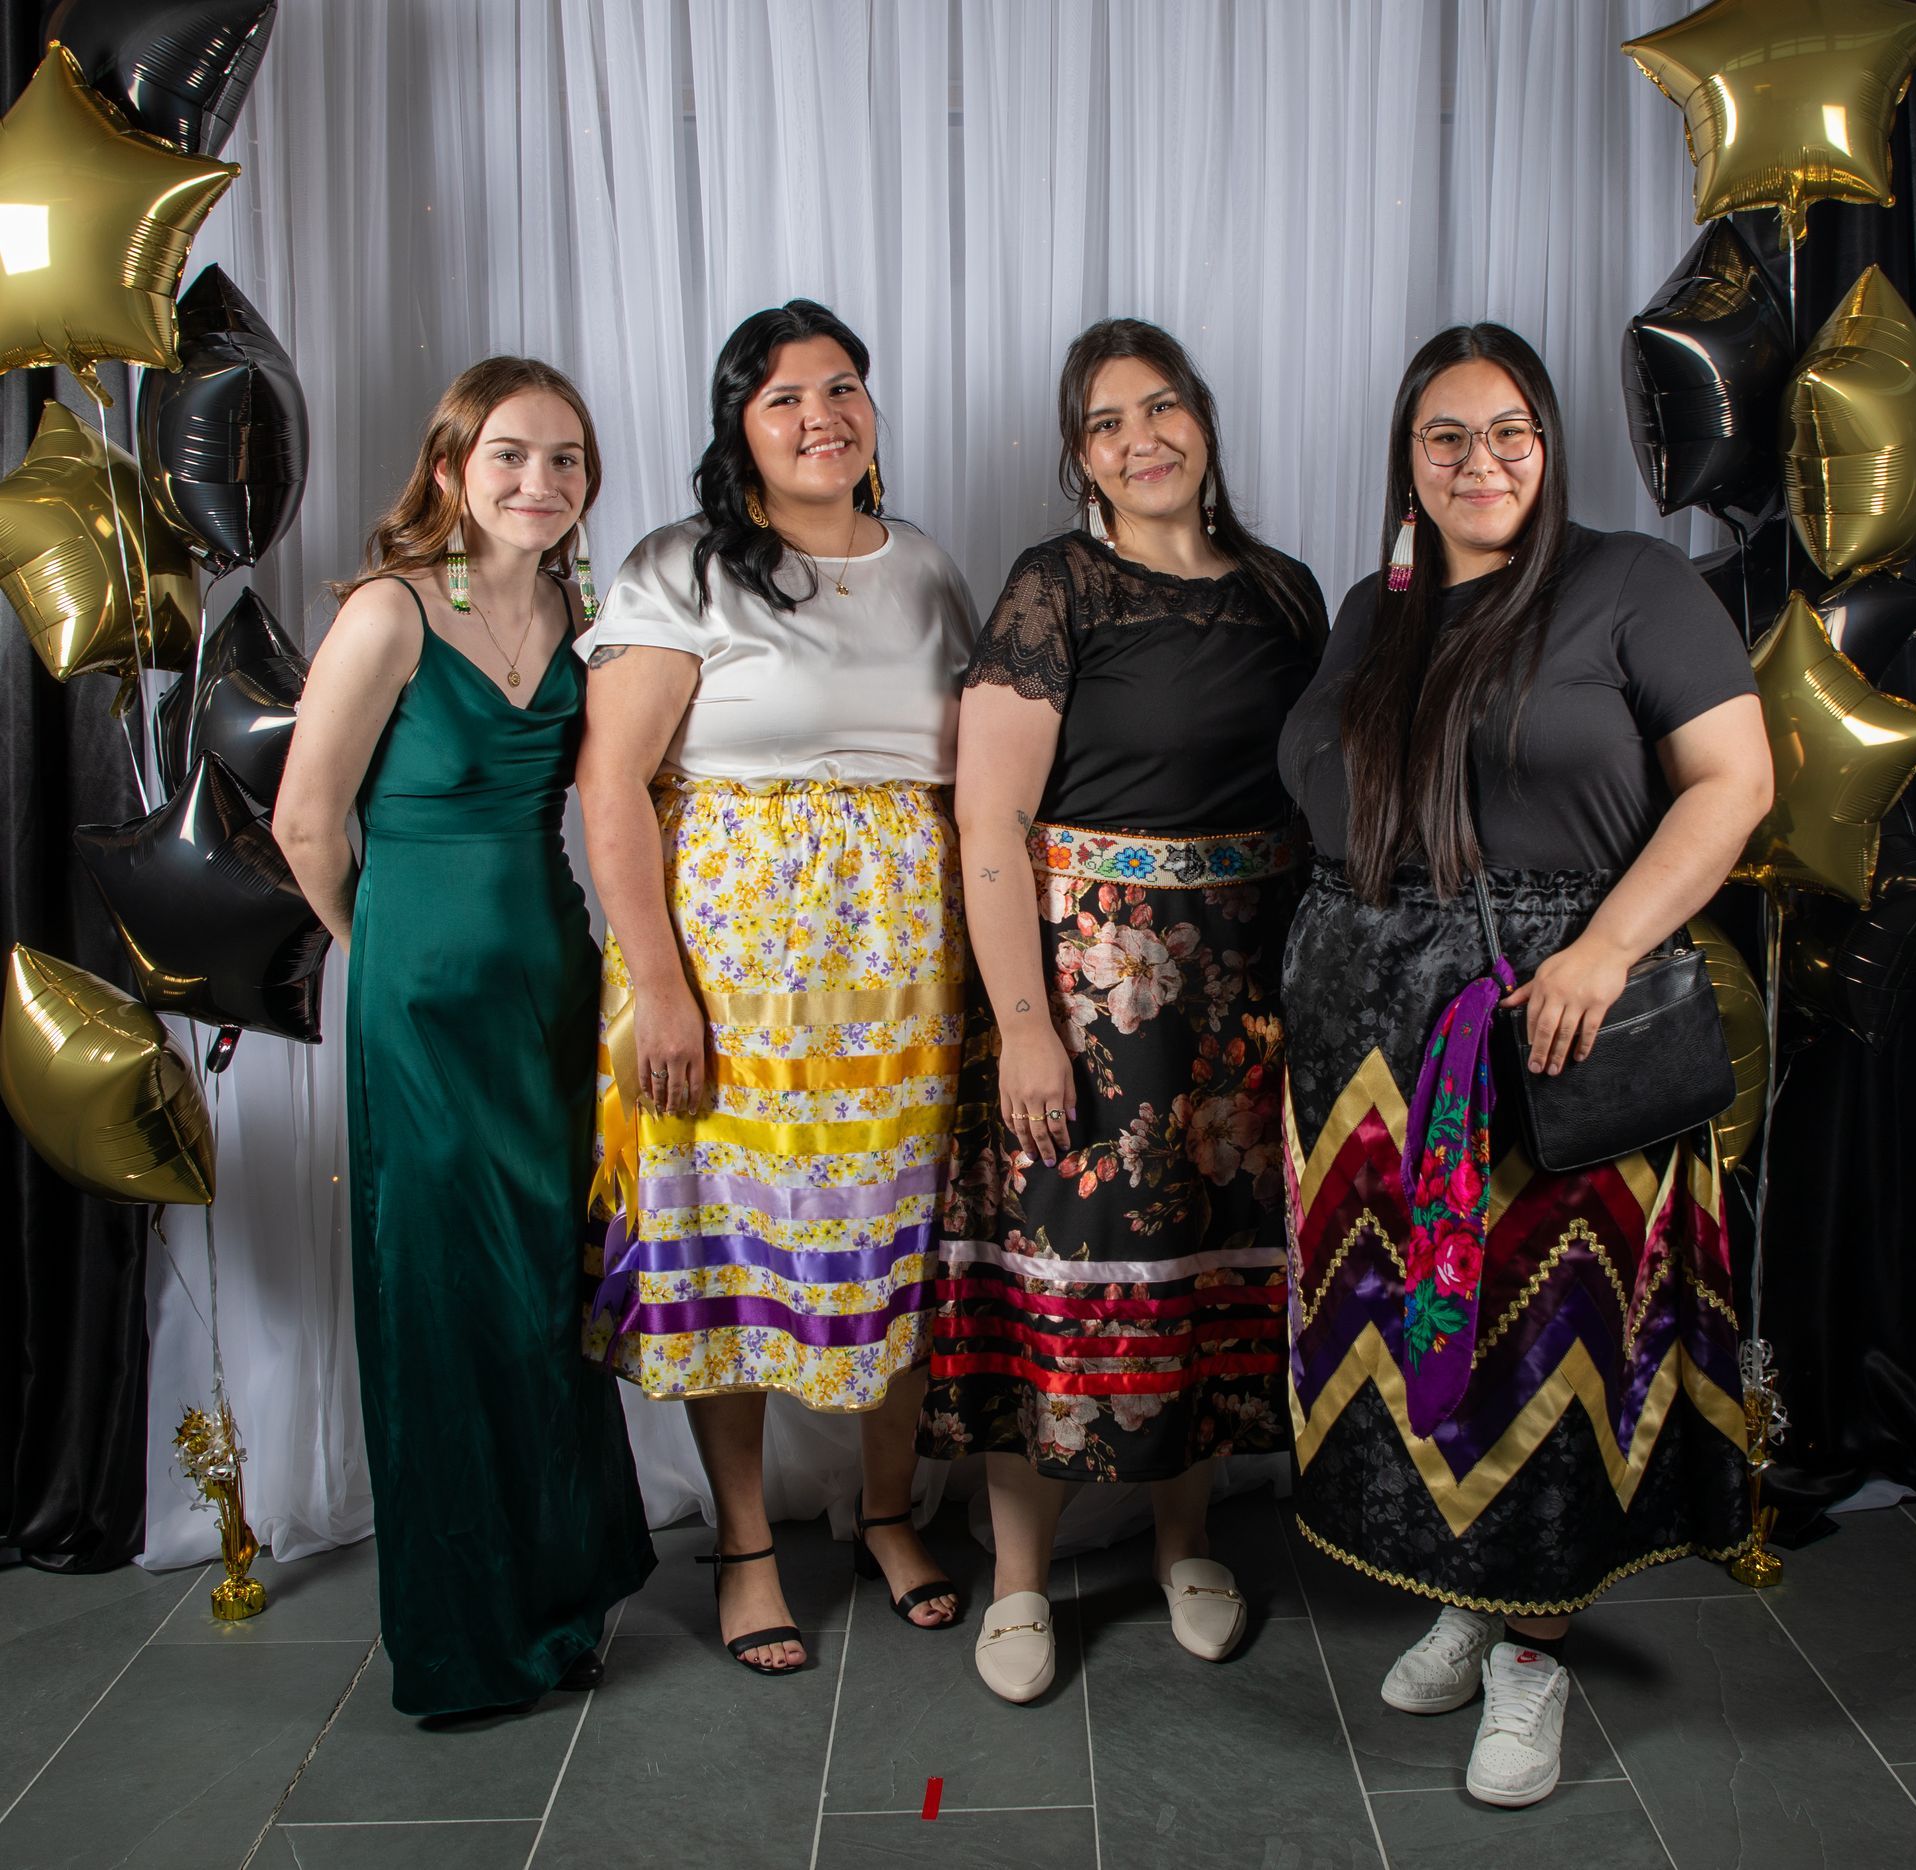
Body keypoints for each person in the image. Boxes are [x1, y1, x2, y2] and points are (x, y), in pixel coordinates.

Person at [1276, 323, 1774, 1807]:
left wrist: (1606, 950)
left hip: (1556, 1016)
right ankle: (1467, 1589)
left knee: (1550, 1344)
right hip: (1371, 1034)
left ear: (1549, 447)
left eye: (1509, 433)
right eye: (1446, 437)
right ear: (1406, 459)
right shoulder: (1380, 603)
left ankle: (1533, 1656)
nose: (1479, 461)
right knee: (1429, 1341)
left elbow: (1734, 780)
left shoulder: (1632, 584)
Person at [918, 318, 1327, 1703]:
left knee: (1207, 1262)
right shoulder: (1057, 587)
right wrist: (1024, 1020)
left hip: (1245, 981)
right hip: (1090, 986)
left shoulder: (1284, 589)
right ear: (1078, 453)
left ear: (1204, 421)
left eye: (1165, 408)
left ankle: (1186, 1539)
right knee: (1058, 1266)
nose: (1143, 437)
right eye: (1109, 420)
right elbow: (990, 819)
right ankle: (1022, 1576)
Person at [577, 300, 974, 1674]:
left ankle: (883, 1508)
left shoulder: (926, 569)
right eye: (787, 396)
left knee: (893, 1246)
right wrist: (660, 988)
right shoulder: (681, 568)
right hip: (730, 980)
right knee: (731, 1255)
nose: (823, 415)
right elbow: (611, 781)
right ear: (737, 425)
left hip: (906, 986)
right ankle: (747, 1543)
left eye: (844, 387)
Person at [274, 357, 653, 1719]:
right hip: (421, 1000)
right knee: (443, 1296)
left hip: (550, 987)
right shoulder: (387, 612)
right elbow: (306, 824)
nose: (538, 483)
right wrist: (384, 954)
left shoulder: (577, 606)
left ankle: (560, 1597)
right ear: (450, 469)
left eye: (565, 461)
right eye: (509, 456)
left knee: (545, 1291)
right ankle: (465, 1636)